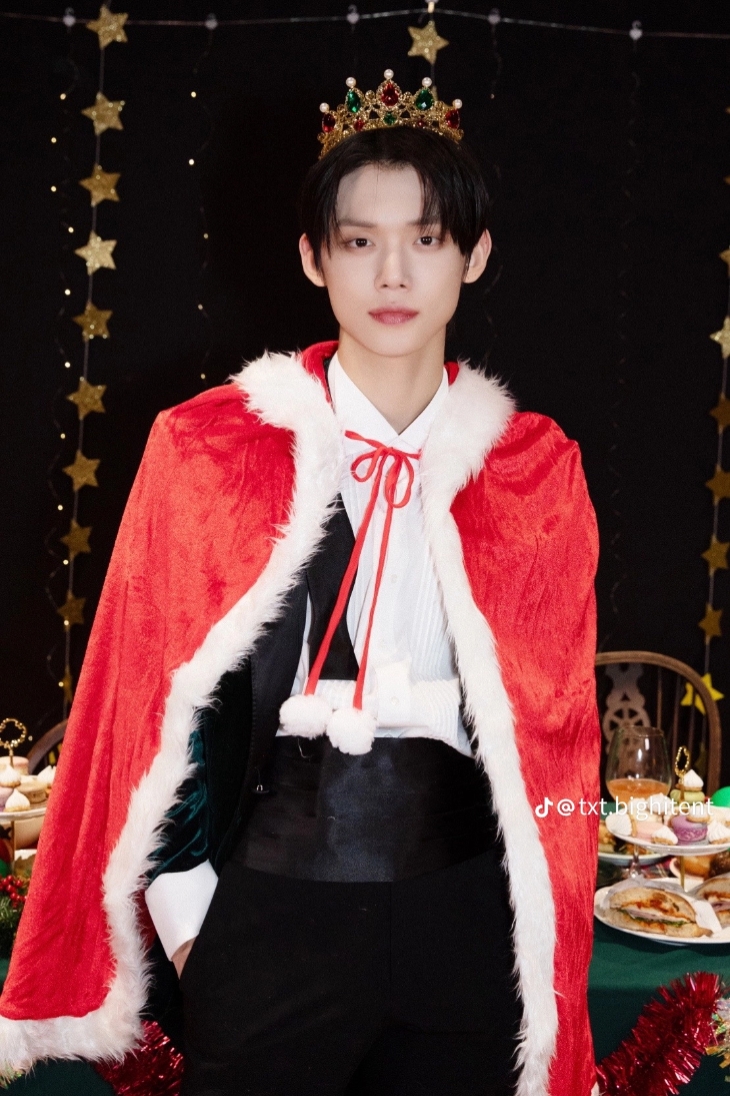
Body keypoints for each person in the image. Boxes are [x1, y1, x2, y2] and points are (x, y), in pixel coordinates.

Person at [0, 71, 601, 1096]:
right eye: (360, 241)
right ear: (314, 257)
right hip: (268, 917)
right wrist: (194, 929)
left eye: (426, 238)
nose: (393, 273)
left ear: (474, 254)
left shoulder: (533, 469)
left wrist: (533, 930)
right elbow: (143, 703)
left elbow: (561, 735)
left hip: (467, 925)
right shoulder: (209, 448)